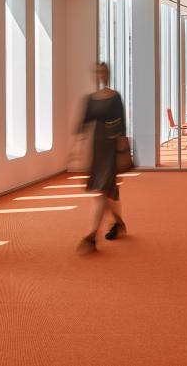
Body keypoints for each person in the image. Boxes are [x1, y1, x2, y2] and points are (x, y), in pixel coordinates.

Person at [76, 62, 127, 253]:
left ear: (109, 74)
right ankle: (119, 223)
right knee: (107, 189)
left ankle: (91, 236)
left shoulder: (115, 97)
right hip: (97, 148)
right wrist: (77, 149)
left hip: (111, 147)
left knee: (103, 191)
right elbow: (84, 124)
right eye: (99, 72)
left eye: (105, 72)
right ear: (96, 75)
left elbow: (122, 125)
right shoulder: (91, 99)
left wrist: (121, 151)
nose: (102, 75)